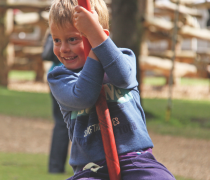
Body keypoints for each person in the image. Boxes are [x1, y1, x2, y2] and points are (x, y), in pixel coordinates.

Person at [47, 0, 175, 179]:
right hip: (90, 169)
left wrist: (97, 41)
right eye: (57, 40)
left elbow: (123, 77)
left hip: (138, 161)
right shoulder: (60, 77)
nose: (63, 48)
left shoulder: (124, 57)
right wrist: (94, 51)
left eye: (72, 39)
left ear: (100, 33)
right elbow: (84, 96)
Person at [43, 32, 70, 173]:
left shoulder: (57, 25)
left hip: (54, 76)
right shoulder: (75, 25)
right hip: (68, 76)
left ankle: (55, 166)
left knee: (61, 124)